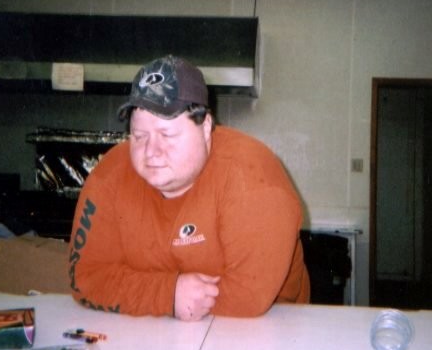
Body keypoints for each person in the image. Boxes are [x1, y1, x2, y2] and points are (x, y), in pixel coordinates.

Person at [68, 55, 310, 321]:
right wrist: (168, 295)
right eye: (139, 136)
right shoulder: (110, 176)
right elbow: (86, 278)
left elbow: (247, 298)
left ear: (205, 127)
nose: (151, 151)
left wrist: (156, 295)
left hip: (269, 326)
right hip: (155, 329)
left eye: (167, 135)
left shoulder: (252, 180)